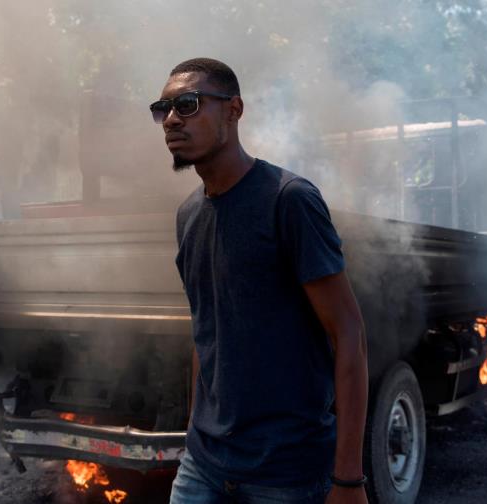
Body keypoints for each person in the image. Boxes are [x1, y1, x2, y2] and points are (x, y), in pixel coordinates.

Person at [156, 58, 368, 504]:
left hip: (284, 474)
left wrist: (348, 480)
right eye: (164, 109)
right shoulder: (188, 215)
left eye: (189, 104)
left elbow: (348, 333)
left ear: (234, 110)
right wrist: (196, 429)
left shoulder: (289, 200)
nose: (172, 118)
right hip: (203, 465)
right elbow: (205, 331)